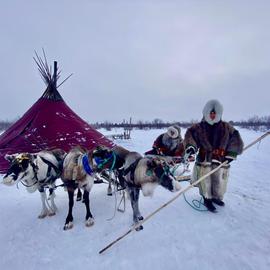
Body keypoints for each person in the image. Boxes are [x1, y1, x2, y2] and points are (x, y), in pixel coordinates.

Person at [184, 99, 244, 212]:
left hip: (221, 159)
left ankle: (215, 197)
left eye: (214, 113)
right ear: (206, 113)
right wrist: (191, 147)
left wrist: (231, 153)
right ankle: (207, 199)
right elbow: (190, 135)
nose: (212, 115)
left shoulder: (226, 127)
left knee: (219, 180)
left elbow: (235, 137)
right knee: (205, 180)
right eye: (210, 113)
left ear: (218, 113)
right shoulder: (199, 127)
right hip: (204, 159)